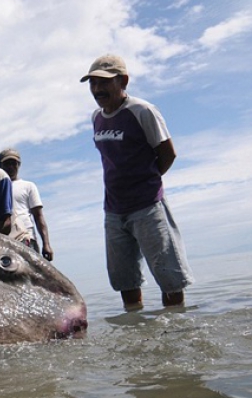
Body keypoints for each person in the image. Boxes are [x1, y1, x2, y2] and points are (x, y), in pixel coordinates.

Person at [80, 54, 194, 311]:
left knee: (170, 280)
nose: (97, 89)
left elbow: (168, 153)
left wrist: (147, 183)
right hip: (113, 210)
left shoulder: (142, 111)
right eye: (92, 84)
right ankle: (136, 335)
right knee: (125, 282)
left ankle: (177, 333)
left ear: (123, 81)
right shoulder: (96, 118)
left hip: (147, 207)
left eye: (104, 82)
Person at [0, 149, 54, 261]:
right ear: (0, 165)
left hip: (27, 238)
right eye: (7, 163)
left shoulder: (28, 186)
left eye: (14, 163)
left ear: (19, 165)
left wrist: (46, 244)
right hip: (4, 240)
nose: (11, 166)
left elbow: (38, 216)